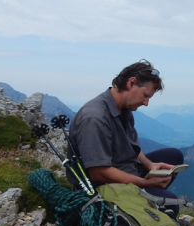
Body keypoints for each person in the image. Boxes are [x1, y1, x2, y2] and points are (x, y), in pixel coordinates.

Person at [67, 59, 184, 217]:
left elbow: (133, 147)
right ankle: (139, 206)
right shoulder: (95, 117)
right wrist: (146, 182)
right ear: (131, 83)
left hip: (125, 171)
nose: (146, 103)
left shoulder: (123, 109)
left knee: (174, 156)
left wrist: (150, 165)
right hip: (106, 187)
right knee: (170, 204)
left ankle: (146, 201)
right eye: (145, 95)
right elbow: (98, 173)